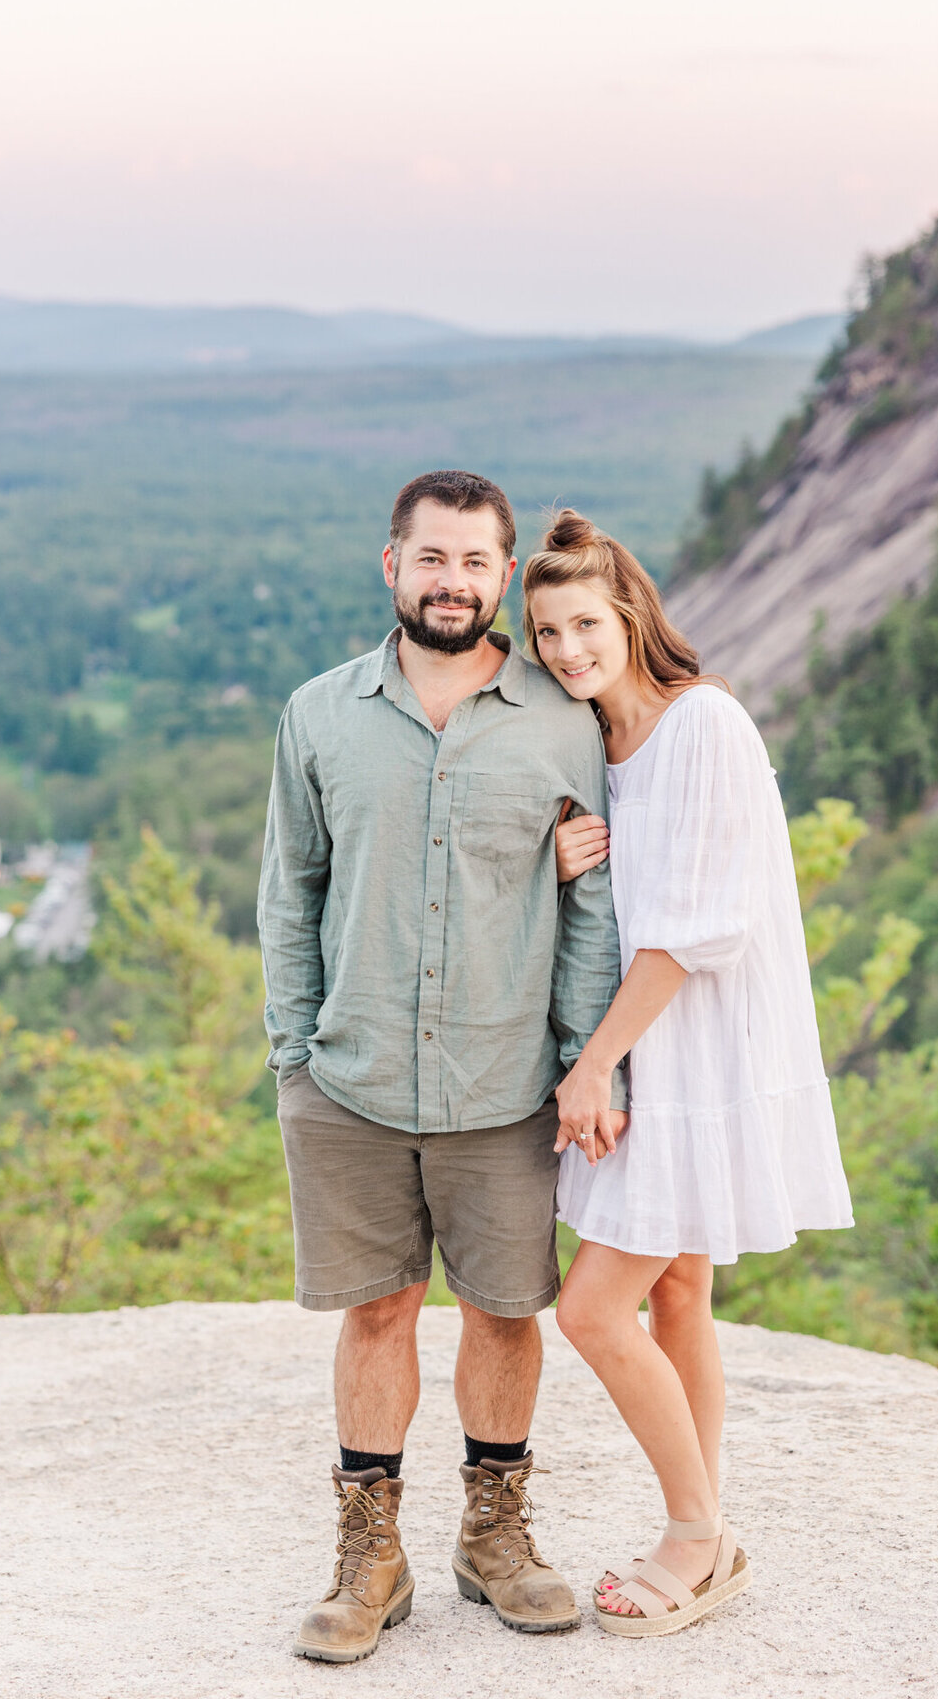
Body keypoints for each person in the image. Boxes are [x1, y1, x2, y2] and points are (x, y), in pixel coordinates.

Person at [257, 471, 626, 1663]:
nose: (453, 582)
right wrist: (294, 1059)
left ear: (504, 575)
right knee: (377, 1312)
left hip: (503, 1087)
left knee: (506, 1313)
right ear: (392, 566)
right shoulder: (318, 715)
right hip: (351, 1082)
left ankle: (495, 1538)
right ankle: (371, 1558)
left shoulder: (564, 720)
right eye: (433, 559)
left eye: (476, 562)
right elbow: (289, 895)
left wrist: (586, 1065)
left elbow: (590, 914)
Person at [523, 508, 854, 1640]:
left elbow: (694, 930)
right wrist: (561, 857)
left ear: (629, 614)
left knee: (592, 1309)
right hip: (650, 1051)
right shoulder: (601, 750)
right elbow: (623, 909)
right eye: (547, 633)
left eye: (583, 624)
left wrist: (593, 1067)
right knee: (676, 1292)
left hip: (692, 1057)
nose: (567, 650)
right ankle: (707, 1526)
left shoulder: (701, 722)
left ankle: (694, 1537)